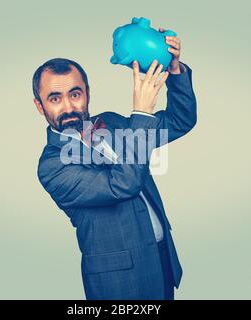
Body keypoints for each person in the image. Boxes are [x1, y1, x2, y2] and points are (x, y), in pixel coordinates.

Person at [32, 31, 197, 300]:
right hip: (119, 282)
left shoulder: (111, 123)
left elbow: (180, 121)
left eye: (75, 94)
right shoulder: (52, 166)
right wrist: (142, 113)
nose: (68, 106)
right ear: (40, 106)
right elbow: (122, 185)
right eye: (54, 98)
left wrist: (174, 69)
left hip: (161, 258)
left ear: (87, 93)